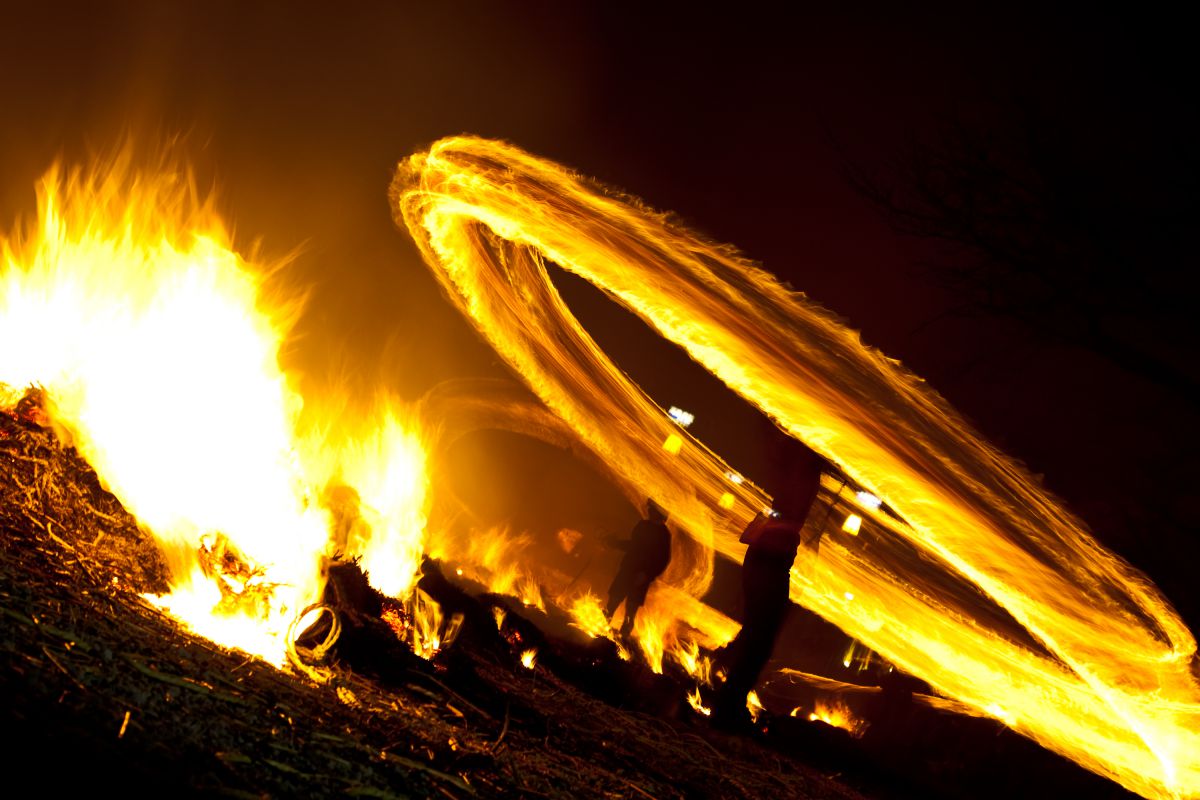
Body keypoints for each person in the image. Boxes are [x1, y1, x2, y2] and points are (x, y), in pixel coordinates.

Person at [713, 433, 826, 730]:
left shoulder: (799, 474)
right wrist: (778, 525)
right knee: (760, 639)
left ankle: (726, 687)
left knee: (758, 635)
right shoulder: (800, 476)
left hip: (770, 559)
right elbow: (784, 507)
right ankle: (728, 704)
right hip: (770, 561)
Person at [605, 499, 673, 638]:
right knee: (612, 603)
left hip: (640, 578)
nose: (648, 511)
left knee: (630, 611)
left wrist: (647, 575)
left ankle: (622, 639)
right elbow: (633, 546)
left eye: (651, 509)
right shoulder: (642, 526)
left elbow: (662, 560)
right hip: (628, 570)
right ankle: (600, 631)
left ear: (658, 513)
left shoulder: (663, 535)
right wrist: (614, 543)